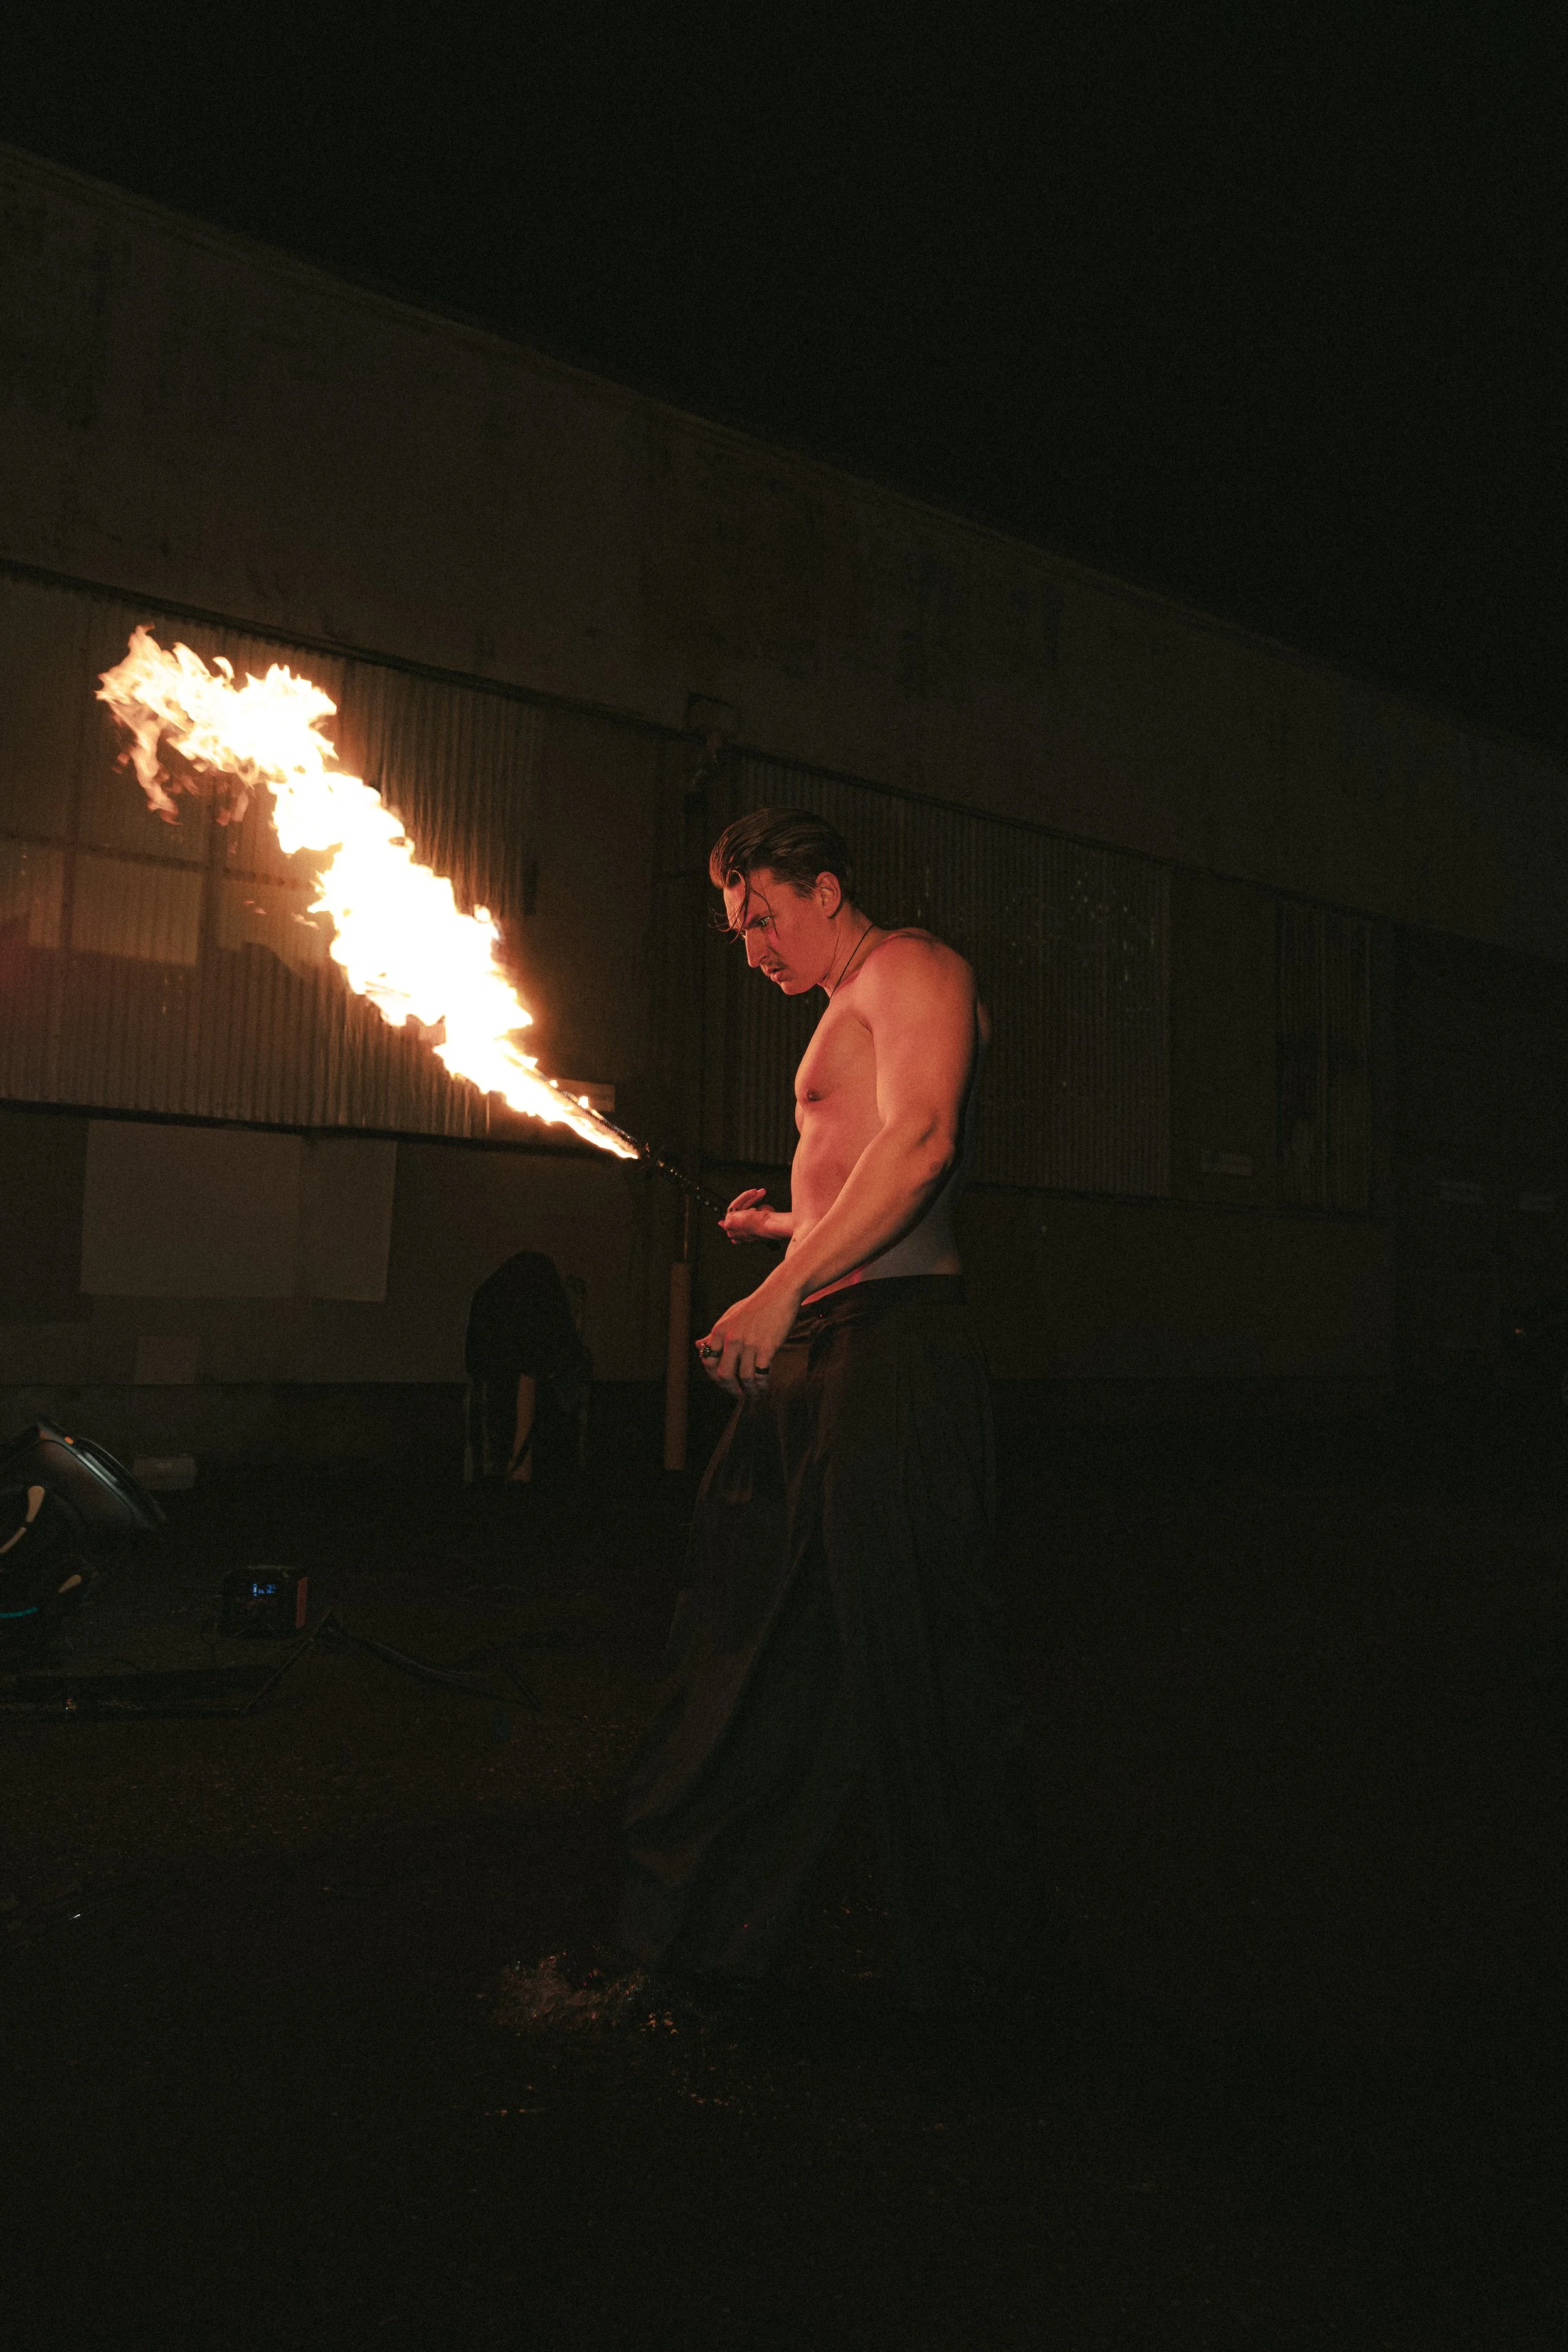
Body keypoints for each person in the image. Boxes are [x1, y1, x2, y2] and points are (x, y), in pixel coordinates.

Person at [620, 808, 1039, 2008]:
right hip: (833, 1340)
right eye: (736, 926)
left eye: (763, 914)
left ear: (826, 887)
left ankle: (988, 1980)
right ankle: (708, 1939)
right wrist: (788, 1232)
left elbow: (920, 1145)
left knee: (921, 1655)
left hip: (896, 1354)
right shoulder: (840, 1006)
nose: (750, 947)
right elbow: (866, 1179)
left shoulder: (913, 965)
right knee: (753, 1636)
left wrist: (777, 1289)